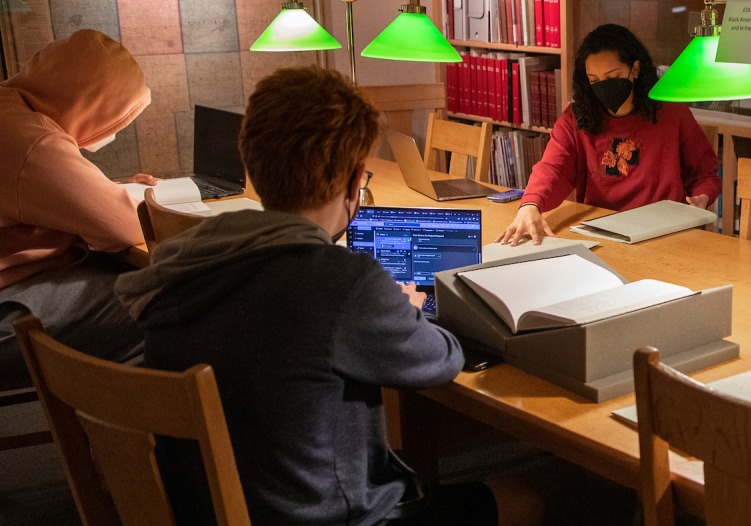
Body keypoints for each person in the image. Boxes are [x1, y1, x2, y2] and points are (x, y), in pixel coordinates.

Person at [114, 66, 540, 525]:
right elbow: (442, 362)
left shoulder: (181, 264)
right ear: (358, 179)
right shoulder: (341, 283)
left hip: (209, 508)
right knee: (524, 498)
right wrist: (405, 310)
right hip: (328, 516)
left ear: (250, 162)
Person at [0, 29, 157, 388]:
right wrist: (142, 198)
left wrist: (105, 192)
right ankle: (130, 435)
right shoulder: (30, 140)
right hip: (6, 305)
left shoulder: (9, 111)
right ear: (88, 104)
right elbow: (125, 226)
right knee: (169, 307)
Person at [497, 24, 721, 246]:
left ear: (635, 69)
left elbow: (705, 173)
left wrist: (703, 196)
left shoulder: (672, 114)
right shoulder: (576, 118)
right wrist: (531, 204)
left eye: (612, 76)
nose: (603, 87)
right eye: (594, 80)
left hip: (663, 235)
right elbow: (553, 168)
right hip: (598, 231)